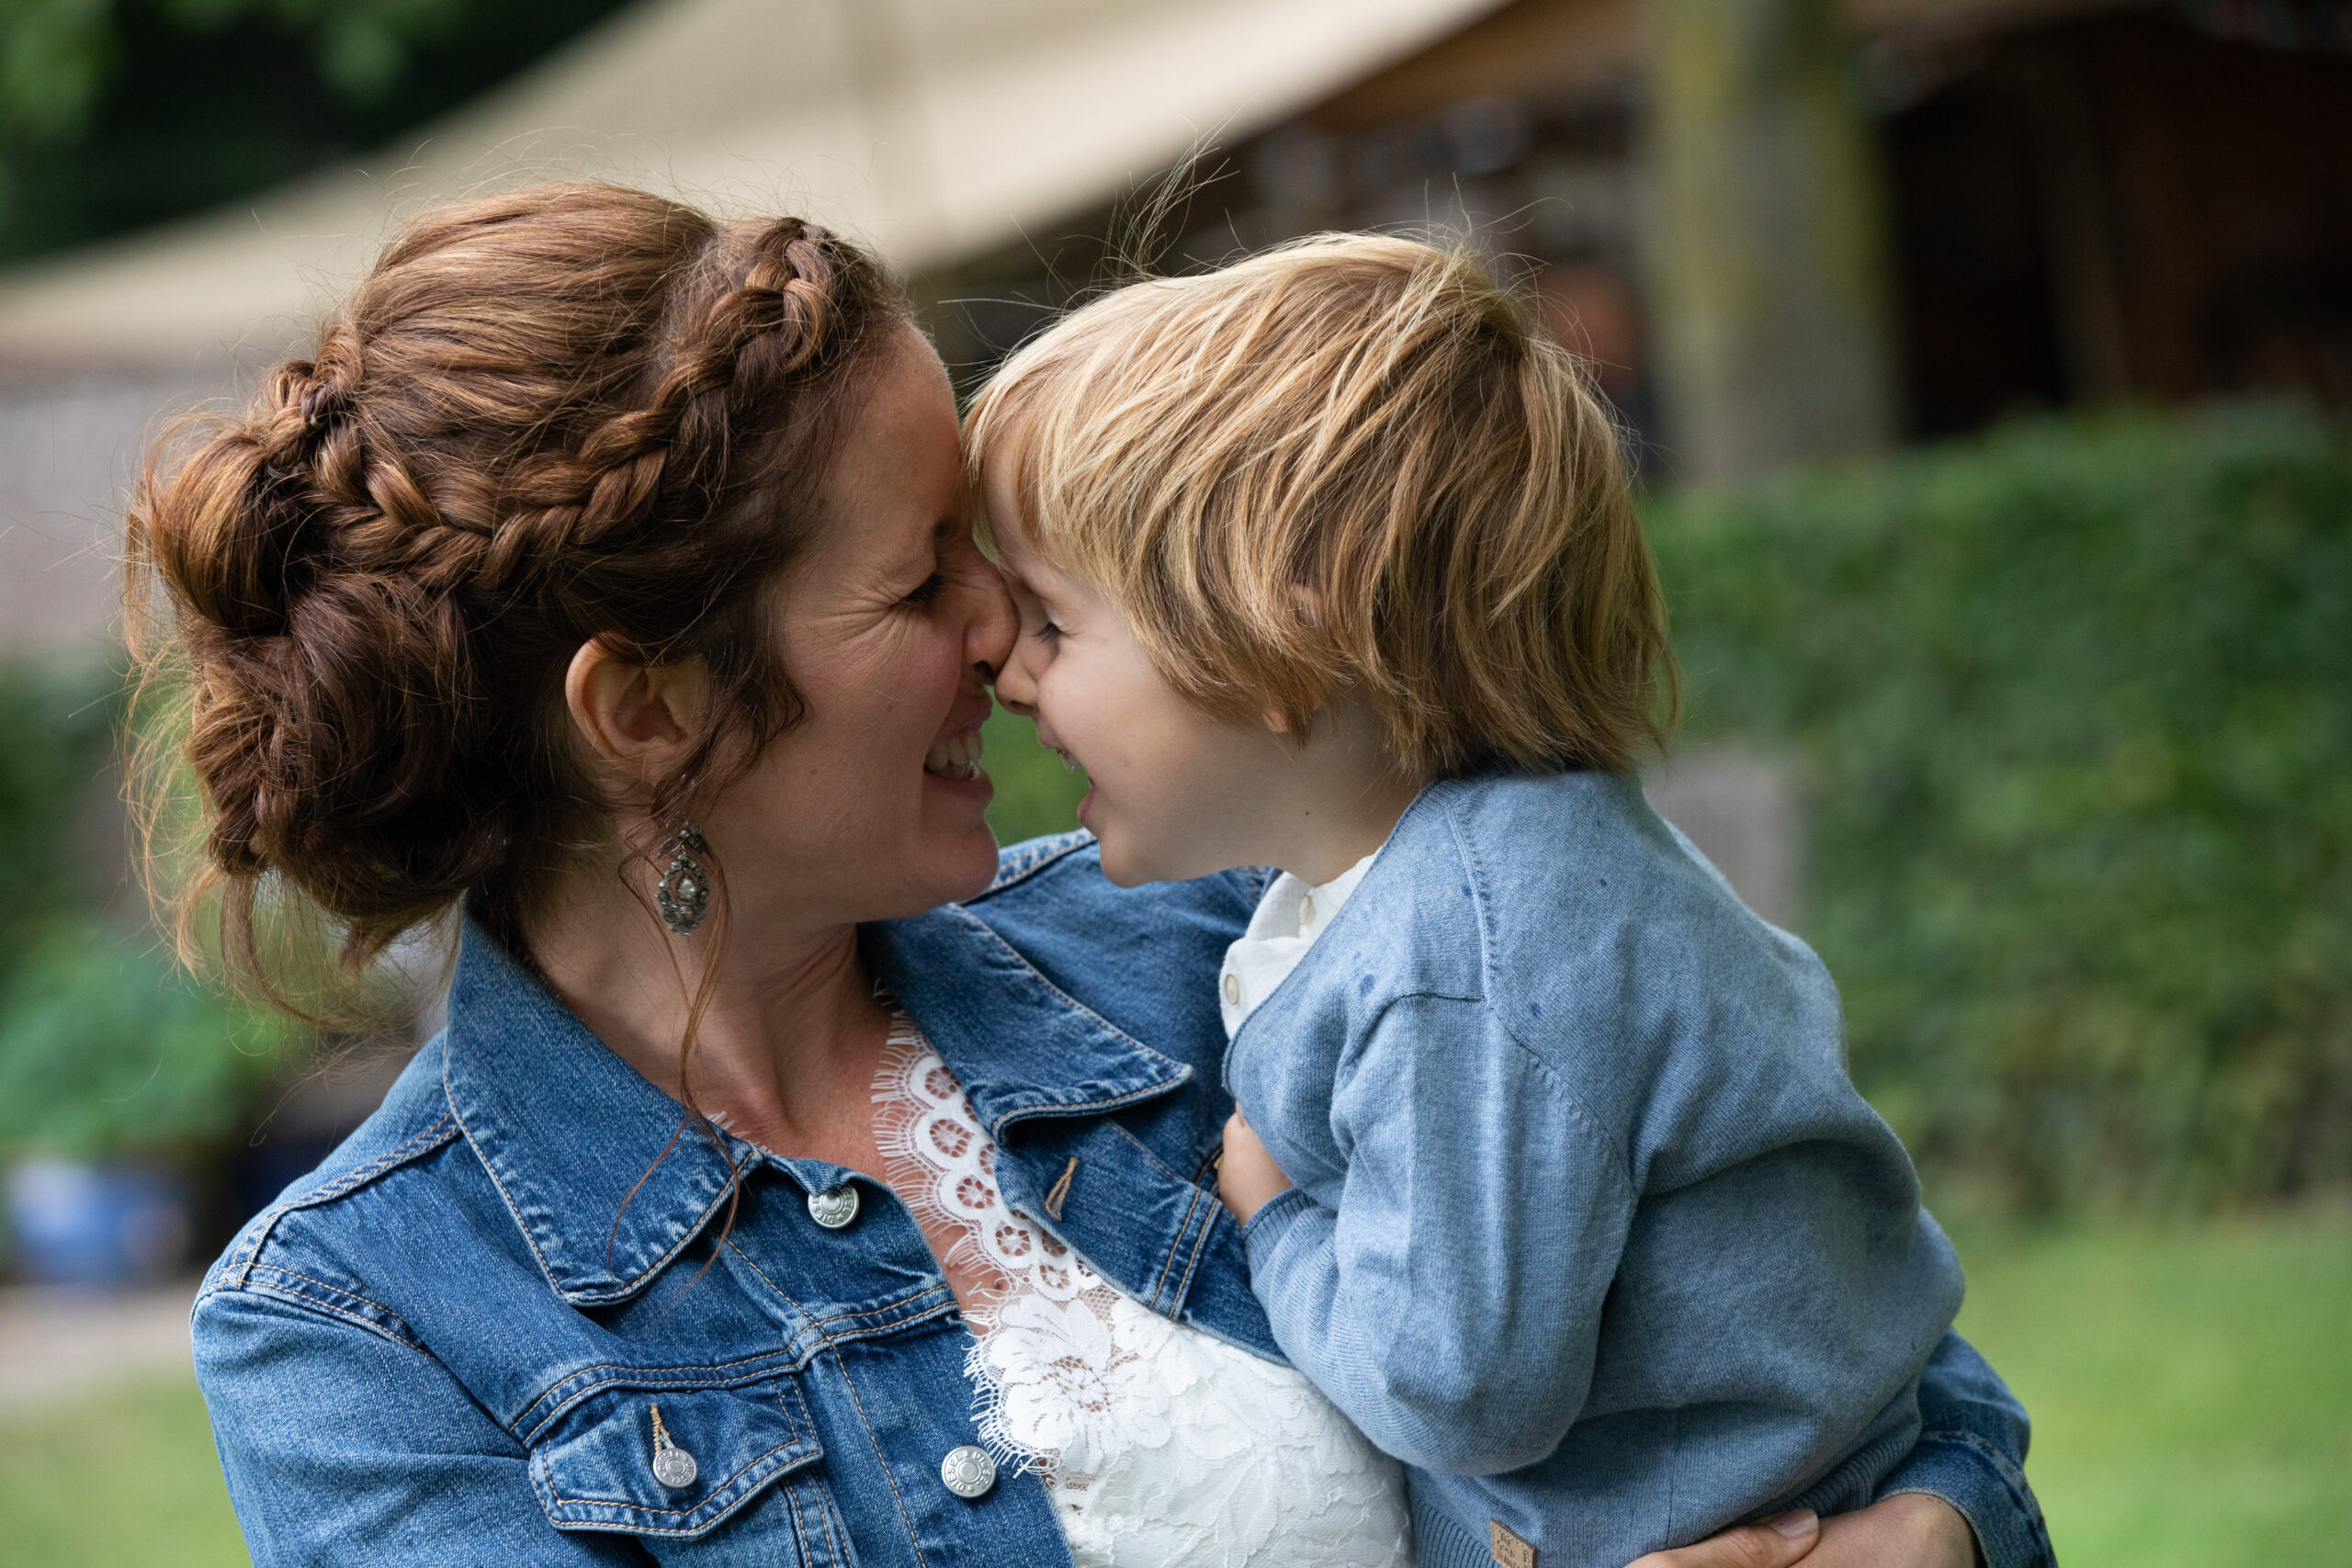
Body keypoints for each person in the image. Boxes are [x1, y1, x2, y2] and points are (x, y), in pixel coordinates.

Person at [128, 184, 2050, 1568]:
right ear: (644, 714)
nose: (1004, 631)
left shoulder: (1236, 932)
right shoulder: (363, 1327)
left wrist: (1923, 1537)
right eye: (921, 578)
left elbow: (1853, 1348)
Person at [969, 234, 2001, 1568]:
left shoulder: (1472, 952)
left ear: (1272, 635)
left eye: (1054, 624)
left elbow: (1462, 1389)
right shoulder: (1445, 887)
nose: (1009, 677)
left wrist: (1274, 1217)